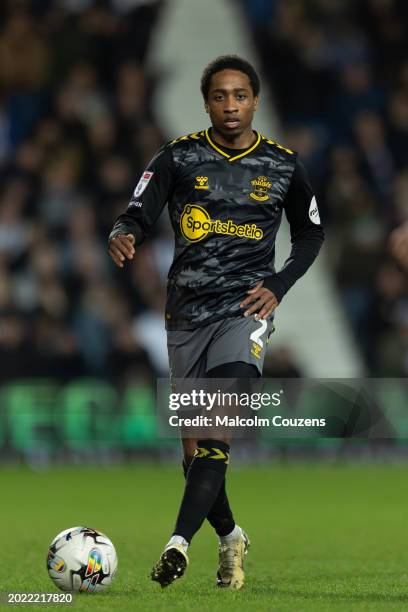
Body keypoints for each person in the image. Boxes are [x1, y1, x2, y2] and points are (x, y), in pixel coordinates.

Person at [108, 55, 324, 589]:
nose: (231, 105)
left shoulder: (283, 165)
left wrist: (277, 285)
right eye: (221, 96)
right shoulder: (178, 157)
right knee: (195, 452)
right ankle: (230, 537)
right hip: (185, 314)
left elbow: (312, 233)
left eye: (241, 95)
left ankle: (177, 544)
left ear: (256, 100)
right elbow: (138, 208)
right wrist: (124, 230)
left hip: (244, 312)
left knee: (216, 433)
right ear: (207, 102)